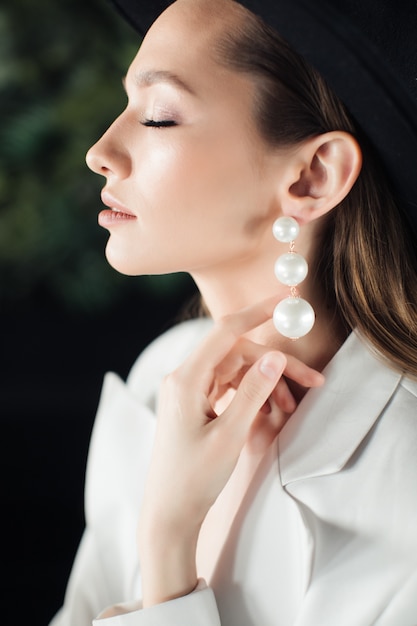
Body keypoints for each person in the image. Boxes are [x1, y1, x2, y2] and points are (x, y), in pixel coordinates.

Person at [50, 0, 417, 624]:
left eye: (159, 117)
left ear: (313, 176)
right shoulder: (162, 379)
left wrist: (169, 543)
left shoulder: (403, 481)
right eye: (126, 106)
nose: (101, 151)